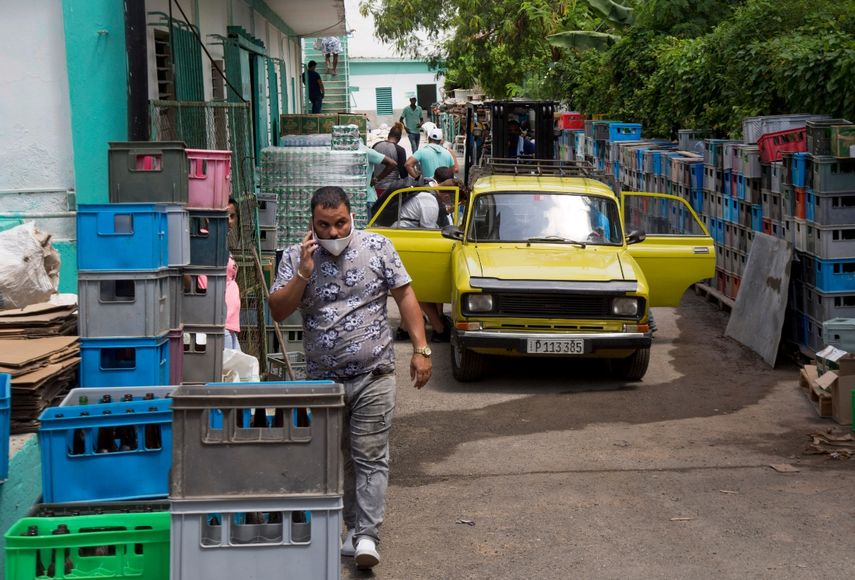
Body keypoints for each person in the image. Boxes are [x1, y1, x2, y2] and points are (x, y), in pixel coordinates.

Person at [268, 186, 432, 571]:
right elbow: (278, 310)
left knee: (370, 455)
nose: (333, 233)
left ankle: (368, 535)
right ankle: (352, 527)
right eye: (324, 225)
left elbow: (405, 295)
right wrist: (303, 276)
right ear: (312, 223)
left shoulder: (378, 247)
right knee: (339, 458)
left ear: (350, 215)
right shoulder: (295, 257)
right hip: (323, 383)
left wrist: (421, 349)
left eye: (340, 223)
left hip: (374, 372)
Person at [372, 122, 409, 198]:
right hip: (390, 190)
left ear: (388, 135)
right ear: (399, 138)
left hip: (374, 188)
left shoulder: (376, 145)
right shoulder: (400, 150)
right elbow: (403, 174)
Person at [224, 198, 241, 350]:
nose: (229, 221)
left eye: (232, 216)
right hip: (220, 322)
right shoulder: (205, 242)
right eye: (225, 215)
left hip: (229, 322)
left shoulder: (224, 244)